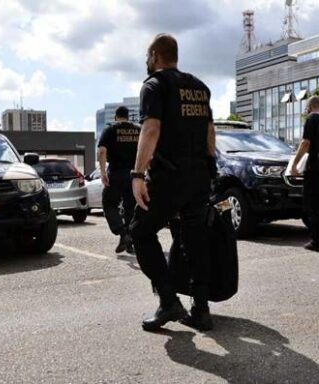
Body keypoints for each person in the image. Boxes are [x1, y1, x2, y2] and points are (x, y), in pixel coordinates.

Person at [129, 33, 216, 331]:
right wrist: (209, 166)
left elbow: (151, 129)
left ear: (154, 55)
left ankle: (168, 301)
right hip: (199, 175)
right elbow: (209, 132)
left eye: (147, 56)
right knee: (195, 239)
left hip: (169, 176)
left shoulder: (154, 85)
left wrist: (138, 175)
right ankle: (201, 310)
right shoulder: (199, 88)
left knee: (140, 231)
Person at [97, 106, 140, 254]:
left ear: (116, 117)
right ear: (128, 116)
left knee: (109, 204)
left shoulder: (110, 130)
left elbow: (102, 151)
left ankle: (123, 234)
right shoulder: (138, 130)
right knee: (130, 208)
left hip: (116, 174)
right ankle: (129, 242)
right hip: (134, 175)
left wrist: (103, 172)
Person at [291, 96, 319, 252]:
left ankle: (316, 241)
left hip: (314, 167)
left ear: (310, 106)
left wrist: (294, 164)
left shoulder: (312, 119)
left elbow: (305, 143)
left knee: (311, 204)